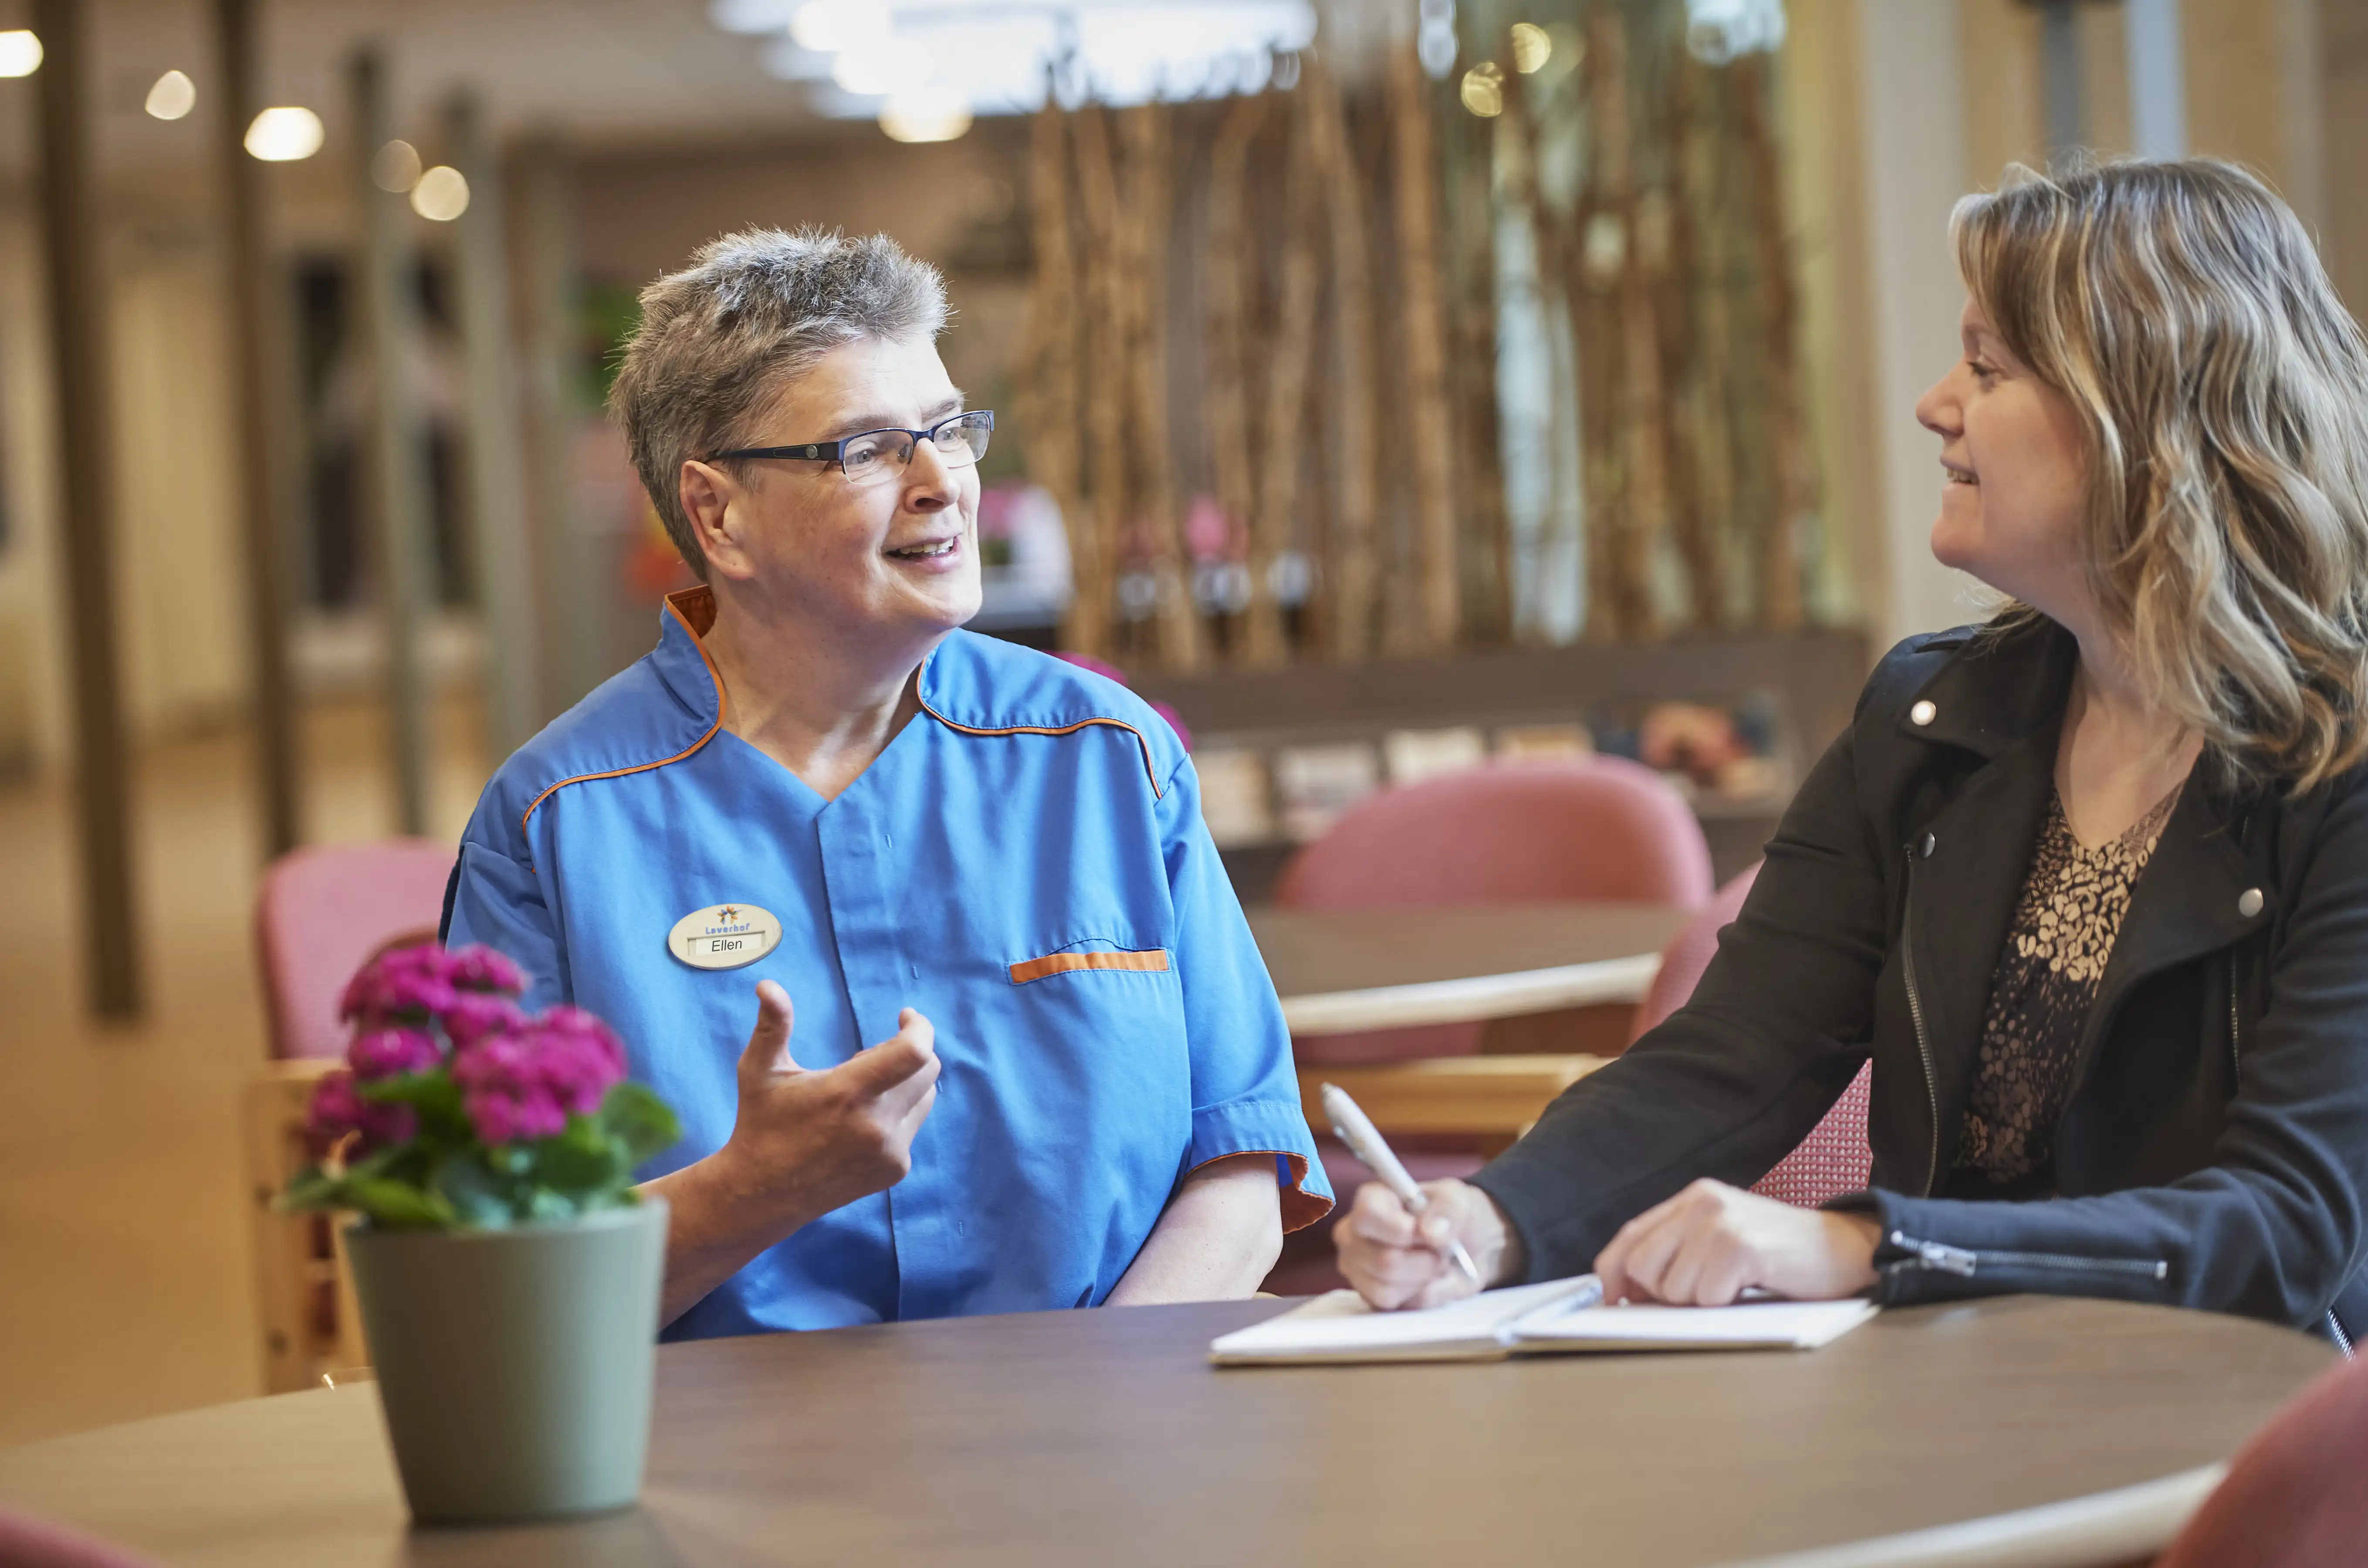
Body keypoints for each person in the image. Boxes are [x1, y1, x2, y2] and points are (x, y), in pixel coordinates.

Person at [1338, 159, 2368, 1346]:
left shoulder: (2336, 765)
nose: (1936, 403)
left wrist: (1870, 1245)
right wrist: (1488, 1222)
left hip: (2234, 1442)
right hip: (1941, 1405)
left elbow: (2287, 1229)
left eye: (1986, 369)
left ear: (2139, 419)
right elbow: (1735, 1055)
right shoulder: (1929, 719)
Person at [443, 227, 1329, 1338]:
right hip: (732, 1473)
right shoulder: (555, 825)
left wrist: (1101, 1410)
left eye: (949, 430)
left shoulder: (1108, 755)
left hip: (1105, 1450)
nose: (941, 484)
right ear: (719, 515)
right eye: (866, 449)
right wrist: (750, 1188)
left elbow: (1237, 1160)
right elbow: (492, 1299)